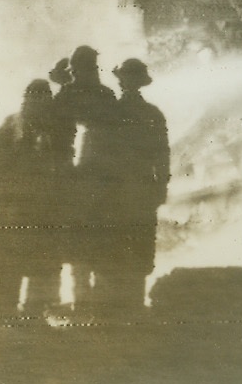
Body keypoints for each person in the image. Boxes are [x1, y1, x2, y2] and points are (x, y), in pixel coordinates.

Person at [89, 58, 170, 314]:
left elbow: (97, 153)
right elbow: (162, 156)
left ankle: (111, 306)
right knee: (139, 246)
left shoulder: (109, 113)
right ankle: (132, 304)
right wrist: (160, 189)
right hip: (141, 189)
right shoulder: (153, 114)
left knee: (114, 245)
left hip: (115, 190)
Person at [0, 80, 70, 318]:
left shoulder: (20, 124)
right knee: (31, 261)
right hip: (28, 205)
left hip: (31, 206)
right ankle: (26, 312)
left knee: (30, 261)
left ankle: (26, 312)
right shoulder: (25, 126)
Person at [53, 45, 117, 312]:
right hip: (102, 178)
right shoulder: (105, 95)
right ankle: (96, 301)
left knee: (82, 240)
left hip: (83, 179)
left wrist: (63, 85)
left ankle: (84, 299)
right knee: (97, 240)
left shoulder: (72, 94)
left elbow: (55, 119)